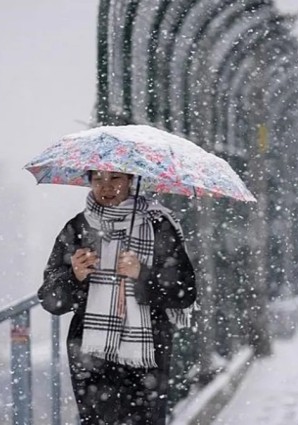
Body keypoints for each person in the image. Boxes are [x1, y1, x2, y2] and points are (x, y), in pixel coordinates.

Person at [38, 170, 197, 425]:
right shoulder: (77, 228)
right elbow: (50, 299)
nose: (106, 187)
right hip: (91, 353)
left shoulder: (158, 225)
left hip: (148, 351)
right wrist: (74, 275)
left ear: (131, 181)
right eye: (98, 179)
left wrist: (142, 274)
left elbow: (185, 292)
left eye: (115, 179)